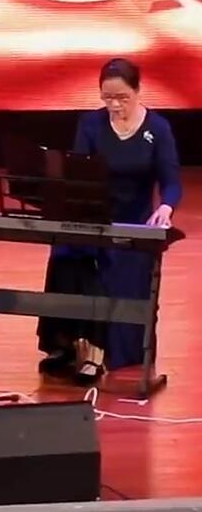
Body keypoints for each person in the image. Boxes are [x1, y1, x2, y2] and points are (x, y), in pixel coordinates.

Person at [37, 58, 181, 385]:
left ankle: (102, 351)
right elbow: (79, 172)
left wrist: (166, 207)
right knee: (66, 255)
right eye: (107, 98)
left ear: (138, 92)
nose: (114, 105)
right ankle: (66, 344)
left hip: (134, 225)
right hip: (93, 218)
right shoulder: (90, 124)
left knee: (120, 270)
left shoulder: (158, 129)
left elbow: (171, 182)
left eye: (122, 98)